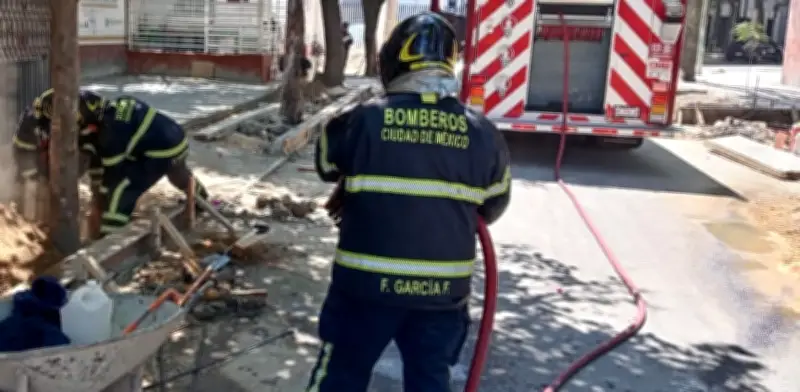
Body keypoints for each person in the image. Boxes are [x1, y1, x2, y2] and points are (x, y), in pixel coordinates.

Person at [307, 12, 511, 392]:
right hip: (441, 297)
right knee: (430, 380)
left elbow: (325, 164)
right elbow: (494, 206)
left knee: (342, 376)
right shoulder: (484, 134)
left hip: (365, 289)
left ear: (392, 62)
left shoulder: (362, 120)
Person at [80, 95, 209, 237]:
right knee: (176, 173)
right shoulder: (119, 105)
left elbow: (112, 175)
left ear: (92, 125)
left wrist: (100, 202)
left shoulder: (111, 135)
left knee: (120, 189)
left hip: (160, 151)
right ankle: (200, 196)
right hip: (175, 139)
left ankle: (110, 237)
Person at [12, 88, 105, 212]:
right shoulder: (33, 122)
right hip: (40, 169)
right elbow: (21, 151)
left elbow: (94, 156)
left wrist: (96, 188)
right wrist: (34, 179)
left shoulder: (89, 120)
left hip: (69, 167)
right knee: (30, 194)